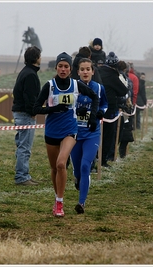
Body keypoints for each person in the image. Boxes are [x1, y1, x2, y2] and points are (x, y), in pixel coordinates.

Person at [33, 52, 99, 217]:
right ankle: (57, 199)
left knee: (62, 164)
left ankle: (60, 204)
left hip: (70, 130)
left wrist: (92, 116)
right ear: (56, 67)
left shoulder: (76, 85)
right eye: (60, 66)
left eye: (66, 66)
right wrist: (52, 109)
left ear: (71, 69)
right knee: (54, 168)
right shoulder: (50, 86)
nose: (63, 69)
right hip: (52, 131)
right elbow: (35, 109)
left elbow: (94, 97)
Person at [70, 58, 108, 214]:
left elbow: (105, 104)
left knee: (86, 166)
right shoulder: (72, 87)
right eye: (82, 69)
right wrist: (73, 111)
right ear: (78, 72)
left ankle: (81, 203)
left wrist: (100, 112)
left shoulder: (99, 88)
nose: (85, 72)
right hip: (74, 134)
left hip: (92, 133)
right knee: (77, 170)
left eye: (88, 69)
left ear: (93, 71)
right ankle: (78, 179)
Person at [12, 46, 42, 186]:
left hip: (20, 113)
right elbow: (30, 97)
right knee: (25, 147)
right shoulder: (30, 75)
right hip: (25, 114)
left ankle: (23, 174)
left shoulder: (25, 72)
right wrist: (33, 112)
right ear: (36, 58)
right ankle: (22, 177)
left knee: (21, 145)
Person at [98, 52, 129, 167]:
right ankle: (103, 160)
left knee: (96, 134)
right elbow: (123, 90)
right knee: (108, 135)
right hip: (110, 108)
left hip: (96, 106)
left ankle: (95, 157)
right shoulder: (113, 76)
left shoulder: (98, 71)